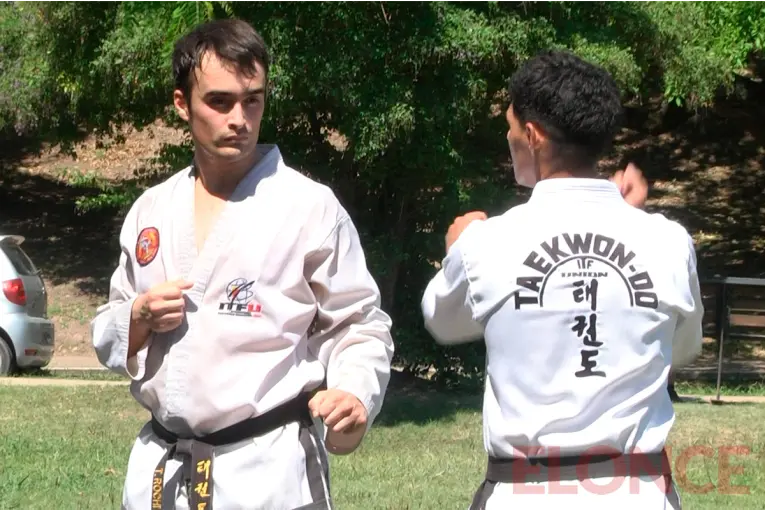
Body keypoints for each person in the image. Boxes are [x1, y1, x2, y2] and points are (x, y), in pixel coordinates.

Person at [91, 18, 394, 510]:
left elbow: (359, 323)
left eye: (252, 100)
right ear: (182, 104)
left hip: (267, 471)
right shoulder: (151, 210)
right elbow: (109, 328)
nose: (240, 118)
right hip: (162, 466)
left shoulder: (308, 207)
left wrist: (355, 391)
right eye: (220, 101)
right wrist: (138, 317)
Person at [420, 50, 703, 509]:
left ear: (532, 136)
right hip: (638, 494)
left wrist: (456, 251)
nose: (508, 138)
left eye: (510, 128)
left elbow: (442, 321)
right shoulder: (669, 243)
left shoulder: (486, 244)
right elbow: (680, 349)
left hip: (524, 495)